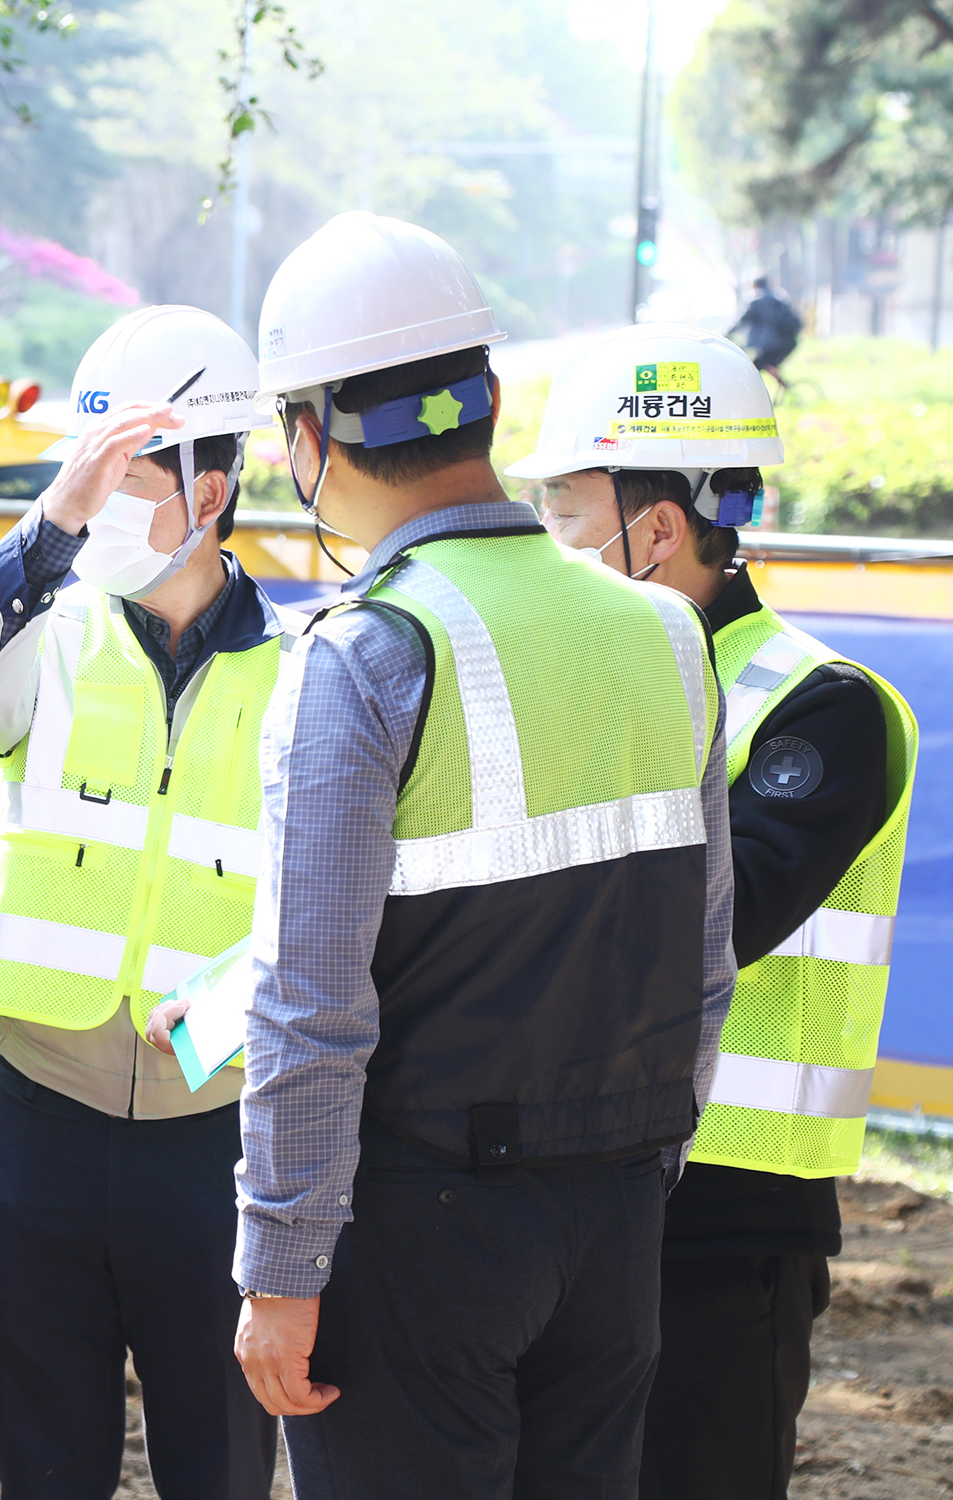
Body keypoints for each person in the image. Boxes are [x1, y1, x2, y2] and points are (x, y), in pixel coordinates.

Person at [227, 212, 735, 1499]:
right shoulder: (668, 635)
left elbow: (309, 1000)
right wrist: (635, 1168)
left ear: (307, 438)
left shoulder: (364, 653)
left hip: (419, 1234)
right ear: (491, 399)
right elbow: (706, 957)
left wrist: (281, 1267)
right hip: (613, 1215)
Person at [510, 325, 918, 1500]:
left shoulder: (825, 710)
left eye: (568, 511)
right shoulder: (564, 686)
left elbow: (710, 924)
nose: (550, 544)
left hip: (728, 1221)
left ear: (659, 525)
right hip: (559, 1193)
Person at [0, 305, 283, 1499]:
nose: (102, 505)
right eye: (91, 479)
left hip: (220, 1144)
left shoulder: (309, 666)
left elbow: (342, 902)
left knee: (218, 1472)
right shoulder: (50, 632)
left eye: (130, 481)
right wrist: (54, 524)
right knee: (43, 1470)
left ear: (214, 487)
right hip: (37, 1125)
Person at [729, 276, 802, 392]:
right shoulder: (779, 298)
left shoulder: (756, 301)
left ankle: (751, 394)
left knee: (752, 369)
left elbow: (741, 321)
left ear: (755, 285)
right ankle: (786, 388)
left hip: (769, 345)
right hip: (786, 343)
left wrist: (726, 335)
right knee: (766, 365)